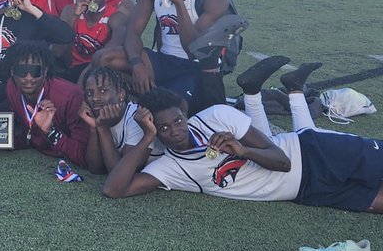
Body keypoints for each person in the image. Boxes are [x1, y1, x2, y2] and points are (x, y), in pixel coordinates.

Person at [101, 59, 383, 214]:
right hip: (306, 191)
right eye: (163, 128)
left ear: (184, 114)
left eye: (177, 120)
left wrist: (243, 151)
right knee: (375, 204)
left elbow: (282, 161)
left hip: (311, 151)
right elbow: (113, 189)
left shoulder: (216, 116)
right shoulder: (171, 169)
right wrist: (147, 138)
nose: (174, 130)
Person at [0, 41, 100, 172]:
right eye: (21, 70)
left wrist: (51, 132)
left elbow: (84, 157)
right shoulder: (11, 87)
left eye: (35, 71)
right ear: (12, 71)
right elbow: (29, 136)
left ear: (45, 70)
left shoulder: (70, 97)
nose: (28, 77)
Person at [57, 0, 134, 82]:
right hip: (73, 69)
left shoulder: (115, 16)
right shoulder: (69, 11)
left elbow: (108, 53)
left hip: (101, 70)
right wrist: (75, 16)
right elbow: (57, 51)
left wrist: (86, 76)